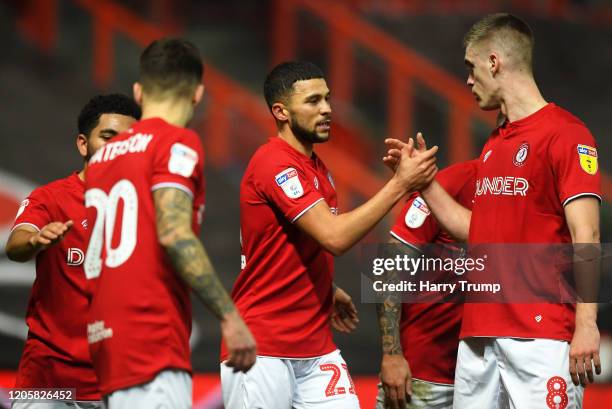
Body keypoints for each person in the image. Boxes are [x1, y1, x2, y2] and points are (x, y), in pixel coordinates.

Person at [386, 13, 602, 408]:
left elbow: (586, 236)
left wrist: (587, 324)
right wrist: (424, 183)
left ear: (494, 62)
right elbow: (477, 231)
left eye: (471, 67)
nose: (468, 80)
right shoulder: (494, 145)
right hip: (479, 339)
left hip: (542, 336)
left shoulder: (567, 135)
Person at [220, 61, 438, 409]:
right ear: (281, 111)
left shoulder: (318, 168)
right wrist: (400, 184)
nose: (327, 109)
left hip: (315, 345)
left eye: (327, 99)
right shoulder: (274, 162)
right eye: (313, 101)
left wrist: (325, 286)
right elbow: (334, 237)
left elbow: (282, 242)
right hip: (263, 346)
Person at [83, 38, 256, 408]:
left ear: (138, 91)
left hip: (108, 344)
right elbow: (175, 233)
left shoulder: (101, 159)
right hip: (152, 341)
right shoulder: (177, 142)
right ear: (197, 94)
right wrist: (230, 316)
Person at [5, 93, 141, 408]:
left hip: (116, 382)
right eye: (107, 137)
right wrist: (35, 241)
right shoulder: (50, 199)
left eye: (126, 142)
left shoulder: (143, 208)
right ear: (83, 144)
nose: (116, 149)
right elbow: (16, 244)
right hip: (47, 378)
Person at [375, 160, 478, 409]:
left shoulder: (530, 192)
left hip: (486, 377)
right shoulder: (449, 184)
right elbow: (388, 268)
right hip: (424, 375)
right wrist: (392, 355)